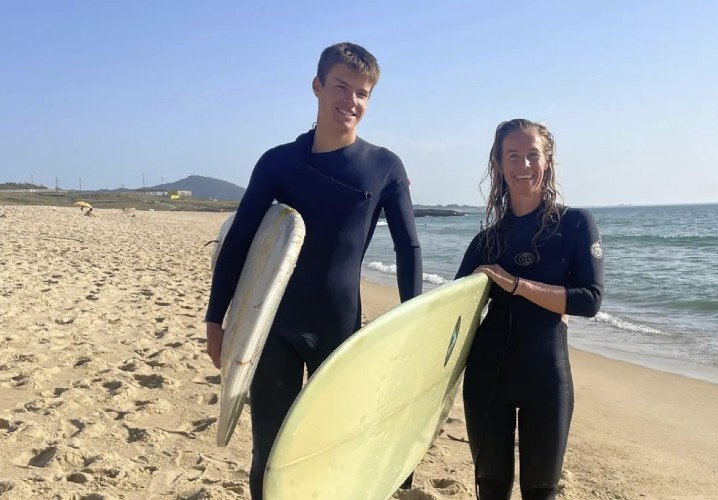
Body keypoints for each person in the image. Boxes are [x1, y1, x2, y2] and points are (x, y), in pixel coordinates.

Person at [204, 42, 423, 499]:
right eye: (342, 87)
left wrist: (415, 321)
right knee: (270, 451)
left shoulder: (384, 166)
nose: (352, 101)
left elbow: (408, 247)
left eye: (362, 93)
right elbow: (241, 240)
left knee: (334, 448)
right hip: (274, 326)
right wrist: (215, 319)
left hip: (339, 331)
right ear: (317, 86)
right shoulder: (279, 162)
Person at [454, 119, 604, 500]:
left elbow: (589, 299)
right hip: (486, 377)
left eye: (532, 155)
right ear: (499, 166)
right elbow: (452, 312)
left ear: (548, 160)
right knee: (490, 490)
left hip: (546, 377)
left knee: (541, 492)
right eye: (513, 156)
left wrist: (516, 285)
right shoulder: (486, 240)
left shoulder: (574, 225)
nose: (523, 166)